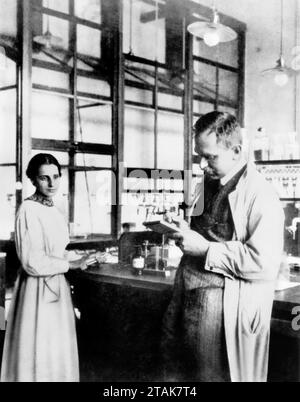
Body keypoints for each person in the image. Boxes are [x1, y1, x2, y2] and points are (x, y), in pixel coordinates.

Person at [161, 111, 284, 382]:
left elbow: (263, 263)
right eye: (199, 156)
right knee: (174, 373)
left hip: (218, 301)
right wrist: (181, 229)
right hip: (185, 289)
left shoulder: (261, 194)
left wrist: (205, 249)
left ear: (237, 150)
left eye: (210, 157)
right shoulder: (206, 184)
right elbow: (198, 229)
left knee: (209, 376)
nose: (202, 164)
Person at [0, 153, 88, 382]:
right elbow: (32, 261)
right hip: (36, 291)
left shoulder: (55, 209)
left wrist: (77, 255)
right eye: (44, 178)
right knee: (38, 351)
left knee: (56, 353)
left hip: (56, 287)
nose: (51, 183)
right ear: (33, 179)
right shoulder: (28, 209)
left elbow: (54, 251)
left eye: (56, 177)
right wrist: (71, 264)